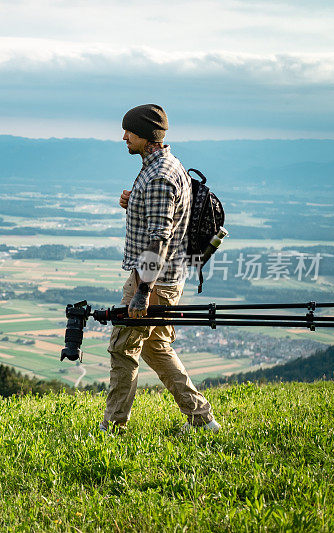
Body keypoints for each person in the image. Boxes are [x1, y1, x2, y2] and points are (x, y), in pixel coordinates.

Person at [101, 104, 220, 433]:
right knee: (156, 348)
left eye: (129, 132)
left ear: (146, 136)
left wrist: (142, 292)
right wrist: (132, 202)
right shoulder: (166, 166)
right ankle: (202, 418)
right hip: (164, 279)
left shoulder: (158, 177)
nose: (124, 137)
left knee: (122, 348)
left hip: (151, 281)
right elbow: (160, 219)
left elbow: (159, 239)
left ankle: (112, 429)